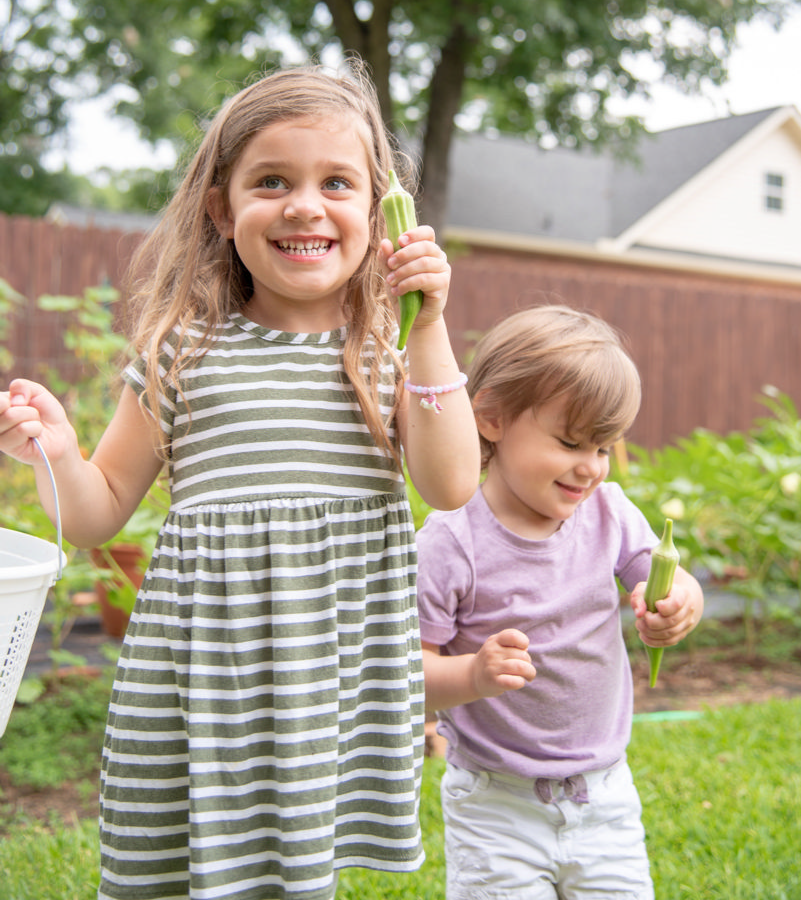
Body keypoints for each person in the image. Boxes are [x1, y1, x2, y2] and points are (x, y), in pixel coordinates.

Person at [0, 60, 480, 900]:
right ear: (223, 209)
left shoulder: (385, 356)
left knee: (297, 865)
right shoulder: (183, 352)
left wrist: (429, 326)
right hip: (205, 671)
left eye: (337, 182)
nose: (304, 204)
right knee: (188, 865)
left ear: (377, 211)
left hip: (327, 675)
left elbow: (449, 485)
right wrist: (57, 452)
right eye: (271, 182)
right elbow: (95, 513)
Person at [416, 304, 704, 900]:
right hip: (497, 802)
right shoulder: (452, 542)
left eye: (603, 448)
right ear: (491, 417)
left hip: (603, 795)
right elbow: (404, 677)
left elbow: (668, 578)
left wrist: (678, 603)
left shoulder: (611, 514)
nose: (590, 468)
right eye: (571, 441)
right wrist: (472, 674)